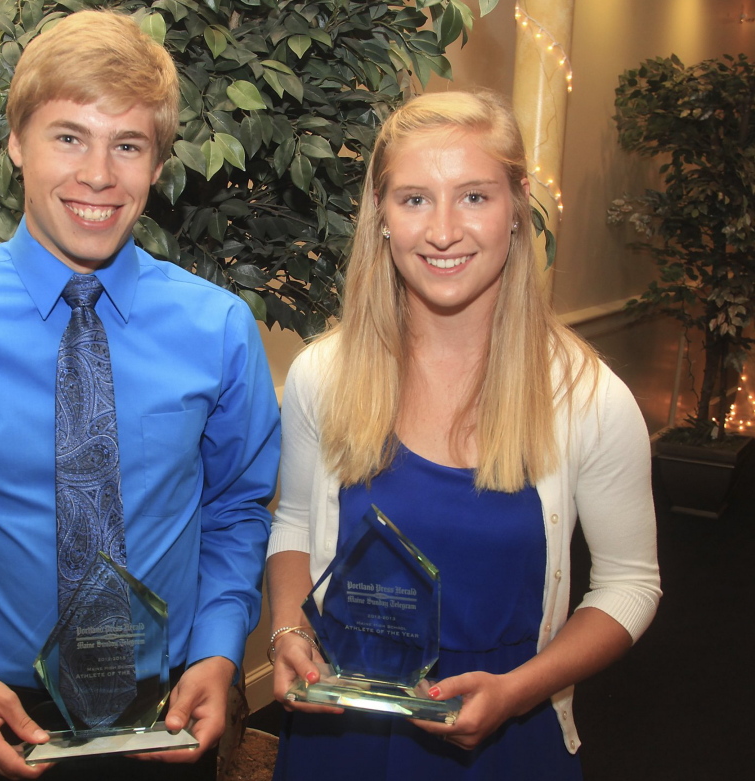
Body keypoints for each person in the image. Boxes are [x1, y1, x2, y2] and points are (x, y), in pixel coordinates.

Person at [0, 10, 280, 781]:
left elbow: (235, 508)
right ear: (14, 144)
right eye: (68, 136)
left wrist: (220, 646)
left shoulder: (218, 328)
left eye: (127, 145)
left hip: (167, 717)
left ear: (158, 164)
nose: (98, 174)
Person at [265, 90, 661, 780]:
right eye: (414, 199)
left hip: (506, 735)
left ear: (515, 209)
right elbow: (295, 520)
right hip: (339, 737)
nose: (442, 230)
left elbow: (628, 583)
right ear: (381, 217)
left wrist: (521, 688)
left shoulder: (587, 397)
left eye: (473, 196)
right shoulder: (322, 376)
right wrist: (286, 629)